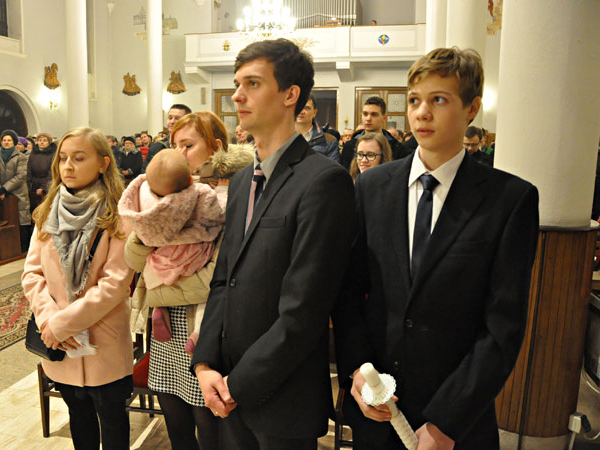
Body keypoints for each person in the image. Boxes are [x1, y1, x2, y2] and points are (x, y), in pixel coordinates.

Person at [332, 47, 539, 450]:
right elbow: (350, 292)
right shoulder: (372, 187)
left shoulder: (508, 199)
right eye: (414, 100)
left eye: (439, 100)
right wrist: (358, 371)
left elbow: (503, 327)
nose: (421, 113)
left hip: (458, 419)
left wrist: (448, 421)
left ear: (471, 108)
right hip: (380, 407)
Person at [191, 38, 356, 449]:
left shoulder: (322, 181)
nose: (237, 95)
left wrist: (237, 386)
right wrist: (205, 364)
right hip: (228, 387)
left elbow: (304, 311)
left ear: (290, 94)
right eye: (237, 84)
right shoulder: (243, 180)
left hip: (282, 398)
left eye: (252, 83)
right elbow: (223, 279)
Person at [124, 111, 252, 450]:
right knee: (174, 416)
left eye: (188, 145)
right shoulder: (163, 197)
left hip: (204, 326)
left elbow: (217, 277)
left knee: (208, 425)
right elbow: (132, 260)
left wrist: (158, 289)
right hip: (166, 330)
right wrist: (149, 233)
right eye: (174, 145)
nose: (179, 154)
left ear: (215, 148)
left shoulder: (227, 199)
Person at [22, 127, 134, 450]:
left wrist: (61, 325)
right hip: (60, 344)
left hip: (102, 339)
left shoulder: (118, 214)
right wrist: (49, 319)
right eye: (63, 158)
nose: (67, 166)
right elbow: (32, 273)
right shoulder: (48, 212)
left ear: (103, 163)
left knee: (112, 419)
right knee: (78, 417)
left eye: (79, 158)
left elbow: (114, 284)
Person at [119, 148, 228, 355]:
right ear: (190, 179)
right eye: (176, 144)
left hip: (161, 258)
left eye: (188, 145)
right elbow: (217, 215)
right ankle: (198, 333)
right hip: (193, 254)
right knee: (205, 302)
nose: (182, 151)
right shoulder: (201, 194)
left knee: (155, 273)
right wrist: (222, 193)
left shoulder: (146, 200)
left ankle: (160, 309)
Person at [0, 129, 31, 252]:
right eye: (4, 140)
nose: (6, 142)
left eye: (9, 140)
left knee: (21, 218)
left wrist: (5, 188)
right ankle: (5, 247)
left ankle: (23, 246)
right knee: (3, 218)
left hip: (18, 192)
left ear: (14, 142)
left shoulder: (20, 156)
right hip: (0, 192)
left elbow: (21, 175)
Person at [341, 96, 407, 170]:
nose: (368, 118)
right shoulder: (349, 146)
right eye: (365, 114)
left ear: (384, 118)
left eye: (374, 114)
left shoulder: (397, 148)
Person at [143, 104, 192, 170]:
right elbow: (146, 172)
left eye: (177, 118)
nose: (172, 121)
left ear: (188, 122)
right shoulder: (156, 147)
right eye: (170, 118)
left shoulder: (192, 147)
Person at [295, 93, 340, 161]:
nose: (301, 111)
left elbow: (333, 167)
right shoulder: (281, 139)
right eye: (298, 107)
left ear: (314, 113)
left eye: (307, 108)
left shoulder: (329, 141)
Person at [27, 132, 56, 213]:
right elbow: (29, 169)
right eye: (40, 140)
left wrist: (43, 187)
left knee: (45, 209)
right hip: (33, 185)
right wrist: (28, 184)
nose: (42, 142)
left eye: (44, 140)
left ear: (49, 142)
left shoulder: (53, 154)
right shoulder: (33, 153)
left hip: (46, 185)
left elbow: (51, 172)